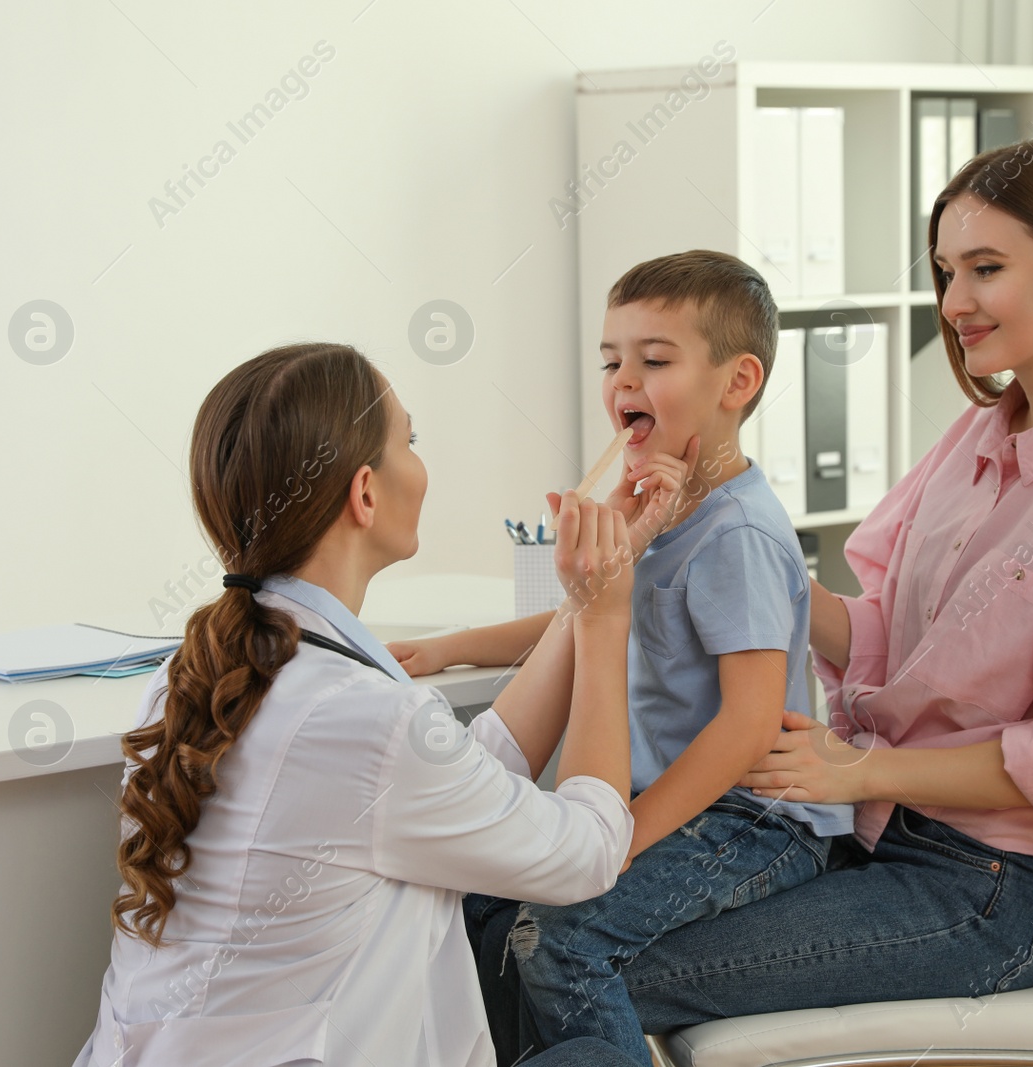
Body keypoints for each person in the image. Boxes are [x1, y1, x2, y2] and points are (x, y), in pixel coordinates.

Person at [484, 137, 1033, 1039]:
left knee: (560, 955)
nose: (953, 303)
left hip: (985, 888)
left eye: (985, 269)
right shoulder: (977, 435)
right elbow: (887, 638)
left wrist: (863, 765)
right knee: (501, 928)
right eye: (947, 270)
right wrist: (718, 537)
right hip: (865, 832)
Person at [72, 343, 679, 1067]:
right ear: (364, 492)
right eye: (409, 441)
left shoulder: (197, 674)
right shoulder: (367, 719)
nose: (421, 463)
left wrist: (585, 596)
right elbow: (588, 850)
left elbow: (461, 771)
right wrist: (608, 619)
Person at [394, 250, 854, 1065]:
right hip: (675, 803)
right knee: (476, 906)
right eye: (612, 361)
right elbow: (594, 606)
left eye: (654, 359)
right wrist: (451, 646)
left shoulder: (738, 533)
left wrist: (624, 835)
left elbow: (749, 724)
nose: (623, 382)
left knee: (558, 943)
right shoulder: (669, 505)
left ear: (737, 381)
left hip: (754, 821)